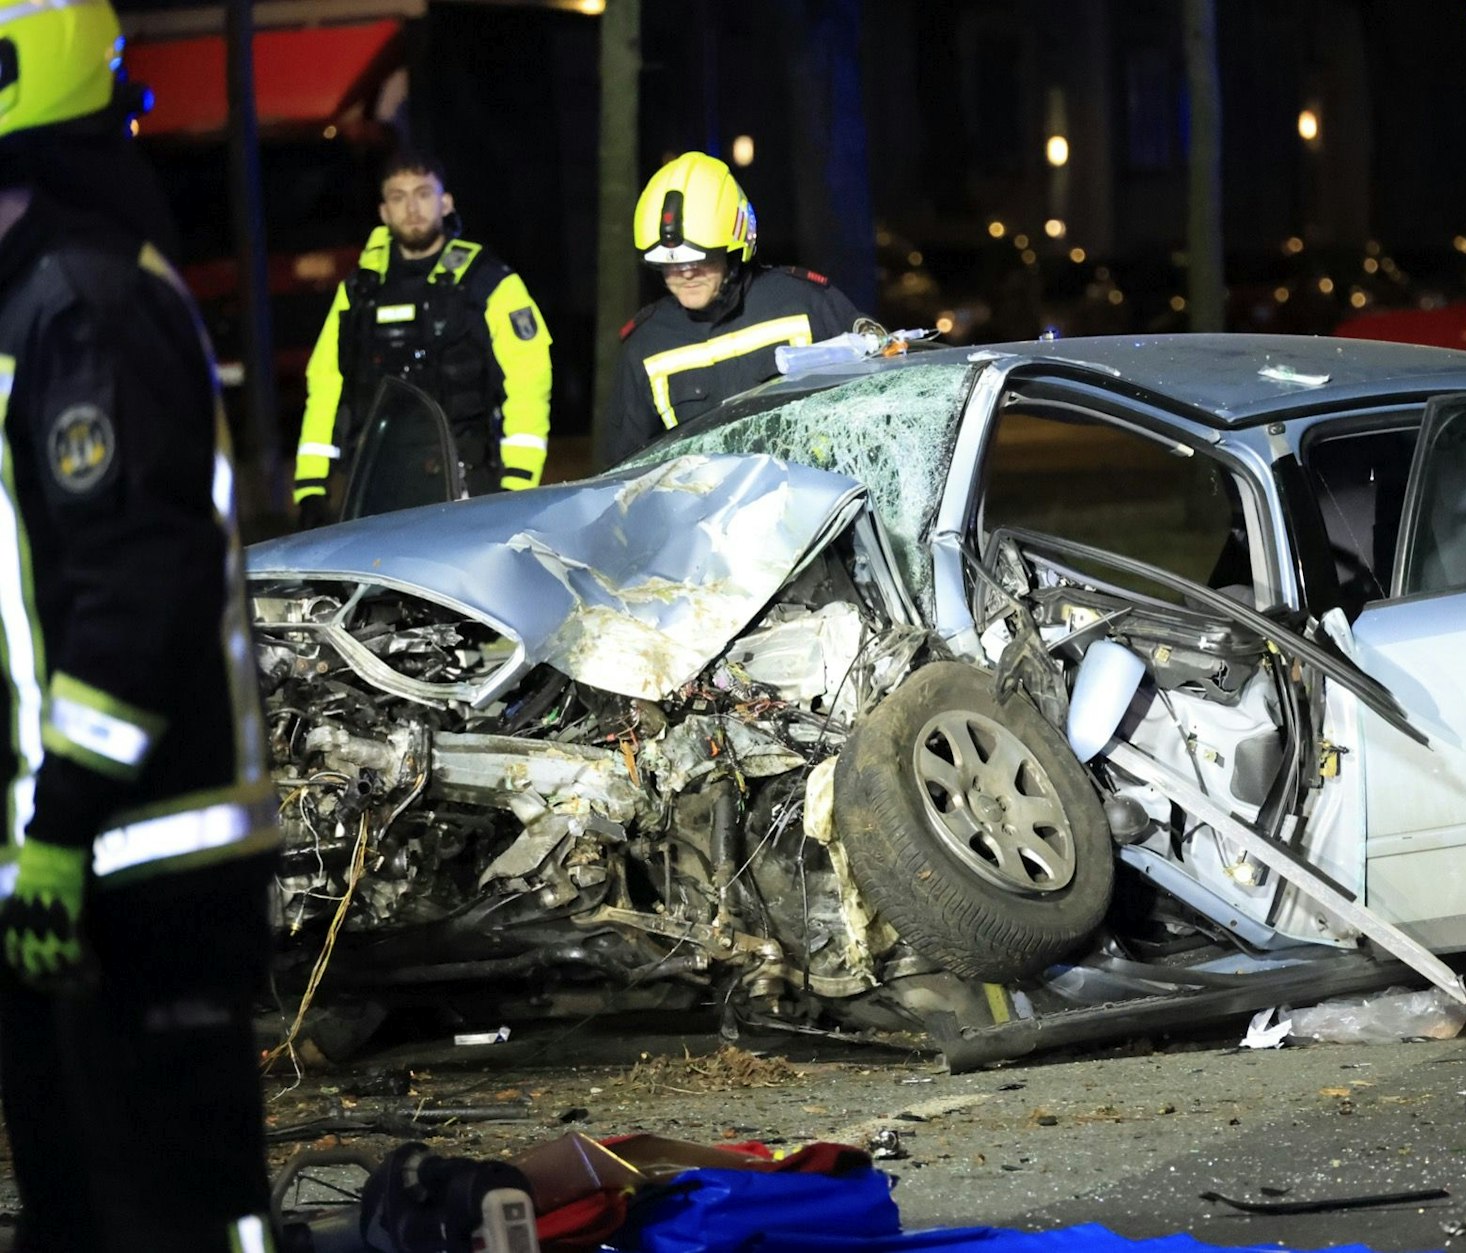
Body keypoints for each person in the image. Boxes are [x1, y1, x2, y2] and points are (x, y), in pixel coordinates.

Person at [0, 2, 282, 1248]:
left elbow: (132, 591)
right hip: (71, 865)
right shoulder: (37, 301)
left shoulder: (82, 304)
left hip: (141, 865)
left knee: (167, 1215)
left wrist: (60, 823)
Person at [295, 150, 552, 527]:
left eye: (423, 193)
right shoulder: (360, 291)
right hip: (376, 485)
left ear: (445, 203)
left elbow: (528, 381)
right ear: (384, 212)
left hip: (466, 480)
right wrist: (311, 486)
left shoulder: (487, 282)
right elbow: (326, 384)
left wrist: (518, 482)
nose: (411, 208)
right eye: (398, 197)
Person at [604, 151, 867, 464]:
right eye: (669, 265)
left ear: (734, 250)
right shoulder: (646, 345)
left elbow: (877, 400)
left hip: (815, 492)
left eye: (699, 260)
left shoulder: (804, 304)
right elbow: (624, 468)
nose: (685, 274)